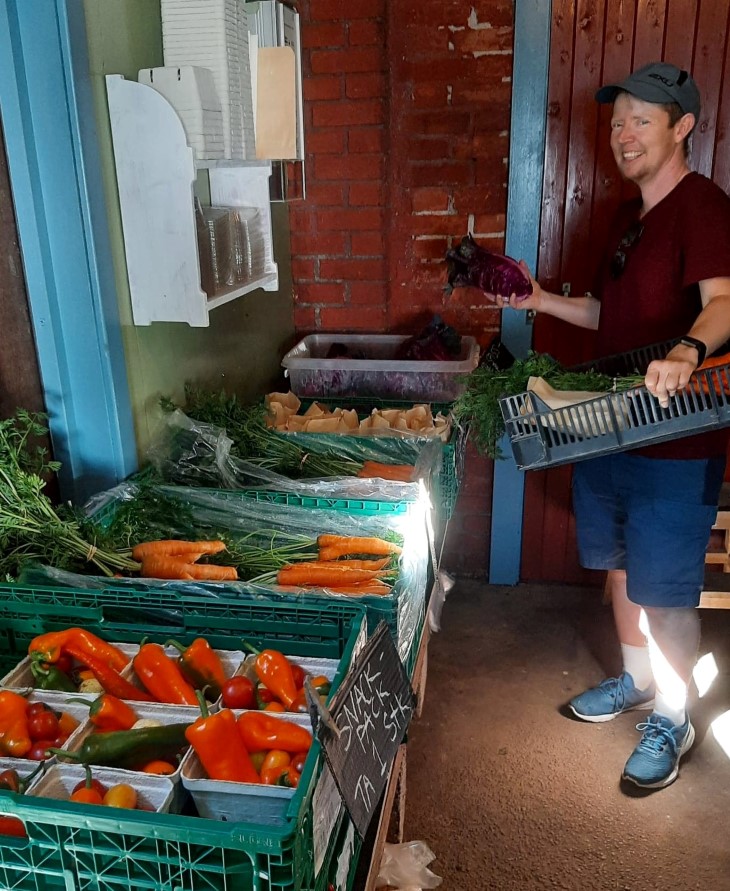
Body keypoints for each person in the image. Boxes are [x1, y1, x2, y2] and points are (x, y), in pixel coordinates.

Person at [493, 61, 730, 790]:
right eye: (617, 120)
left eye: (641, 119)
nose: (623, 134)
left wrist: (689, 350)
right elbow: (605, 312)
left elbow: (724, 300)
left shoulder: (703, 207)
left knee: (666, 591)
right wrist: (539, 300)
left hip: (677, 441)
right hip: (614, 426)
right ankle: (634, 679)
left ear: (682, 127)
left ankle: (675, 712)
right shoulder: (633, 222)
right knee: (623, 566)